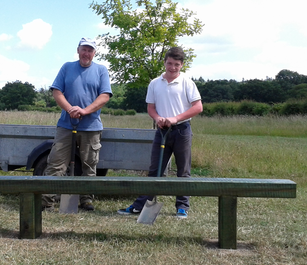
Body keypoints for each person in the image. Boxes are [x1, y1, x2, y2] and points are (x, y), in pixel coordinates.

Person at [117, 47, 203, 219]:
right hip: (162, 130)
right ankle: (141, 205)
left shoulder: (187, 82)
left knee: (183, 171)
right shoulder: (155, 83)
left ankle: (182, 207)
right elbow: (151, 108)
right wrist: (158, 118)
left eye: (176, 65)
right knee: (155, 170)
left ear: (182, 65)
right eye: (169, 63)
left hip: (182, 130)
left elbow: (198, 107)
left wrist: (175, 119)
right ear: (164, 62)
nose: (172, 68)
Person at [42, 37, 112, 212]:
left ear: (94, 53)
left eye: (90, 50)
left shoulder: (101, 70)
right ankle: (46, 201)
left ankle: (86, 199)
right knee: (56, 163)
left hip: (91, 127)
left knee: (89, 165)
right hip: (66, 125)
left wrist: (85, 111)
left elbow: (105, 96)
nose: (86, 53)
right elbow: (57, 91)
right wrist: (70, 109)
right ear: (78, 50)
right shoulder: (67, 67)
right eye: (84, 49)